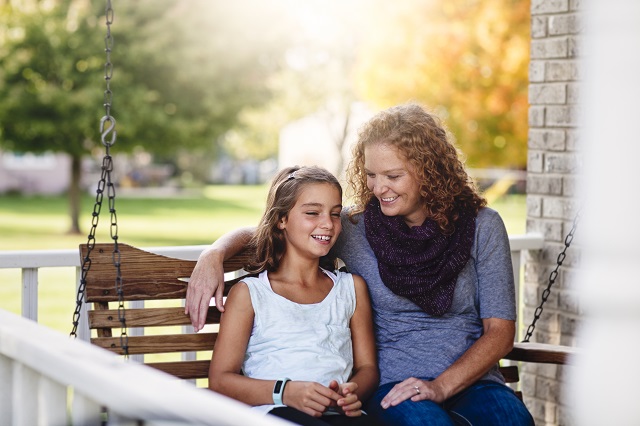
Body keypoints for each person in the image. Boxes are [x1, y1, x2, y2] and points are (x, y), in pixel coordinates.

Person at [190, 103, 534, 426]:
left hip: (472, 381)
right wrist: (214, 254)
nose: (378, 188)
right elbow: (282, 227)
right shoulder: (356, 227)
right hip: (394, 385)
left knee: (512, 419)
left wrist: (441, 386)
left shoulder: (481, 226)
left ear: (429, 171)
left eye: (393, 176)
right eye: (371, 174)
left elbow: (500, 333)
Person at [207, 165, 382, 426]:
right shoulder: (251, 294)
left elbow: (367, 368)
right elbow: (220, 380)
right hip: (274, 412)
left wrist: (350, 391)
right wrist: (286, 392)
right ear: (282, 219)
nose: (328, 224)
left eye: (335, 214)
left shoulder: (351, 288)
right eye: (312, 212)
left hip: (338, 414)